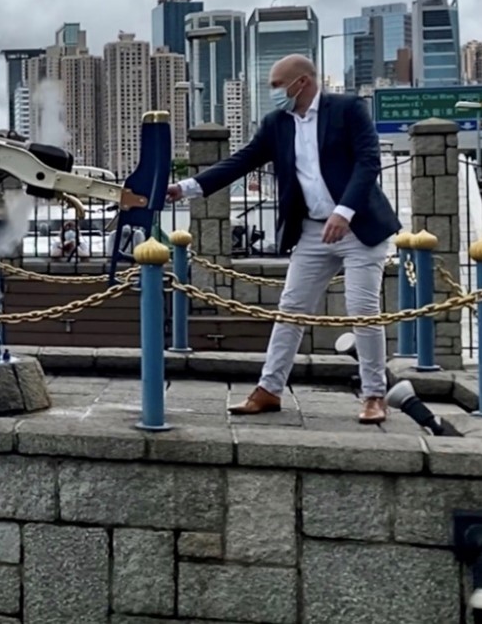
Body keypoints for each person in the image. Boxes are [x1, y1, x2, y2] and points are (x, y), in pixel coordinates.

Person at [167, 54, 401, 423]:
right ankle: (268, 391)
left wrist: (344, 211)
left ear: (302, 82)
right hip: (311, 230)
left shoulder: (348, 109)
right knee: (290, 310)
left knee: (363, 310)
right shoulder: (277, 123)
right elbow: (242, 160)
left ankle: (374, 395)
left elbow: (368, 162)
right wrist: (187, 188)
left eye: (277, 85)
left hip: (360, 228)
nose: (273, 92)